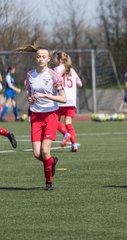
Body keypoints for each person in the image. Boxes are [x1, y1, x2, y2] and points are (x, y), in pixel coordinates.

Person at [22, 45, 67, 191]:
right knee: (37, 154)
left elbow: (64, 99)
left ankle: (49, 182)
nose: (40, 59)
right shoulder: (30, 75)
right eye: (38, 57)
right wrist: (31, 99)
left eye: (43, 57)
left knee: (45, 151)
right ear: (36, 59)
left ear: (48, 59)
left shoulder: (54, 75)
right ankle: (52, 161)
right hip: (35, 115)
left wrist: (45, 95)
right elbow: (29, 95)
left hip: (51, 115)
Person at [54, 51, 83, 152]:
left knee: (54, 121)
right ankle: (74, 145)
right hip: (71, 101)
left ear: (59, 60)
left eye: (55, 59)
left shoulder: (56, 70)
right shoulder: (72, 70)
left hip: (61, 99)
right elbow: (80, 84)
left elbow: (53, 83)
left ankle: (65, 134)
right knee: (68, 123)